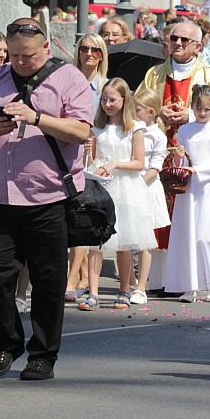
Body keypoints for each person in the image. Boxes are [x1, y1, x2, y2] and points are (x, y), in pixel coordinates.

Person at [0, 17, 94, 382]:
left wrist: (37, 117)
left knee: (48, 281)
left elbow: (81, 130)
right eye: (14, 54)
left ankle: (43, 354)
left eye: (28, 55)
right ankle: (6, 343)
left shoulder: (69, 78)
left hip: (47, 196)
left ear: (46, 49)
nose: (20, 61)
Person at [136, 20, 210, 221]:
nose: (178, 43)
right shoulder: (153, 75)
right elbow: (135, 109)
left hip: (193, 160)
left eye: (184, 39)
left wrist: (191, 116)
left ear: (197, 46)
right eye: (174, 38)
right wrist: (155, 113)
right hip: (158, 156)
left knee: (189, 220)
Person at [80, 78, 155, 310]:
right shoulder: (96, 127)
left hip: (125, 187)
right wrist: (89, 155)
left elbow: (139, 162)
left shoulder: (134, 127)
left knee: (123, 242)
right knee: (96, 243)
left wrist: (114, 164)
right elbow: (91, 163)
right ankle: (92, 293)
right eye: (104, 99)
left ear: (124, 101)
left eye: (113, 100)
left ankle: (124, 289)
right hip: (102, 185)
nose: (107, 104)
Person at [166, 84, 210, 302]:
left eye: (207, 110)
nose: (202, 113)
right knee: (187, 234)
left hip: (208, 186)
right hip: (188, 187)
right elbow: (182, 160)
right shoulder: (184, 130)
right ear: (191, 107)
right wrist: (179, 158)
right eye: (199, 109)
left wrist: (197, 170)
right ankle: (189, 285)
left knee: (205, 234)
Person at [131, 88, 169, 300]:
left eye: (137, 110)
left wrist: (137, 185)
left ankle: (141, 287)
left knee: (145, 240)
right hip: (132, 185)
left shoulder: (158, 136)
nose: (134, 113)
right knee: (128, 239)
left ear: (151, 112)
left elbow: (155, 168)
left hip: (146, 187)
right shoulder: (134, 131)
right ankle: (127, 284)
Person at [74, 33, 108, 112]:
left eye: (95, 50)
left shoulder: (107, 87)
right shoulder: (68, 84)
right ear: (79, 54)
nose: (89, 53)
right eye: (84, 49)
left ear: (101, 56)